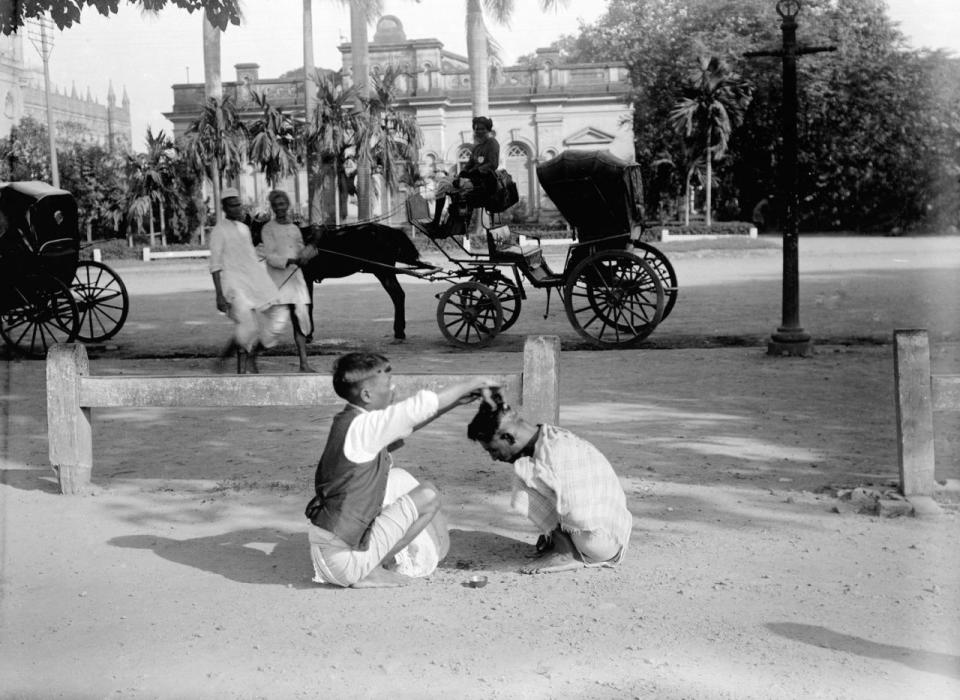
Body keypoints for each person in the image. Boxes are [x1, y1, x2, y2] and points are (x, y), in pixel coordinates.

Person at [306, 352, 499, 589]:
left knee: (398, 478)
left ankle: (370, 562)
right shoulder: (366, 426)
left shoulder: (352, 420)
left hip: (327, 552)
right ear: (367, 394)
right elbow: (415, 409)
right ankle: (371, 568)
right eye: (387, 384)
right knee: (428, 495)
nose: (393, 389)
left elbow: (407, 425)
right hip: (345, 564)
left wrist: (454, 402)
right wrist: (472, 383)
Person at [467, 392, 633, 575]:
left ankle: (565, 553)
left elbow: (577, 512)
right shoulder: (549, 437)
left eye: (493, 449)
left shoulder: (555, 452)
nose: (494, 458)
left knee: (523, 474)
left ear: (508, 438)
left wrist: (560, 540)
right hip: (607, 538)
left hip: (598, 541)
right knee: (528, 470)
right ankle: (565, 546)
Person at [209, 187, 288, 374]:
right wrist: (219, 295)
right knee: (247, 327)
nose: (238, 209)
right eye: (233, 206)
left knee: (280, 315)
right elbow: (215, 265)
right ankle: (227, 363)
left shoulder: (244, 229)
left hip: (254, 281)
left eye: (239, 205)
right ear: (225, 208)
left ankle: (253, 356)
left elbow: (251, 257)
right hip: (233, 285)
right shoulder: (219, 231)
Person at [258, 189, 315, 373]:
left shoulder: (294, 228)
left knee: (300, 320)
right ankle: (250, 357)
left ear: (287, 205)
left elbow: (299, 248)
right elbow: (270, 256)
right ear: (273, 208)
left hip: (296, 281)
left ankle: (304, 363)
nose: (280, 208)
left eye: (283, 204)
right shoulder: (268, 228)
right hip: (278, 281)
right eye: (276, 205)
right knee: (273, 327)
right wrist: (290, 261)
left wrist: (307, 254)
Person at [431, 116, 501, 233]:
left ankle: (438, 223)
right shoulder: (477, 146)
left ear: (488, 129)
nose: (478, 131)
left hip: (483, 183)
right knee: (443, 182)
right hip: (472, 180)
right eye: (477, 129)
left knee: (445, 185)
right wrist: (462, 173)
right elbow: (470, 163)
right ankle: (437, 221)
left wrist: (475, 173)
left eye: (482, 129)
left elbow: (492, 164)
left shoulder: (492, 143)